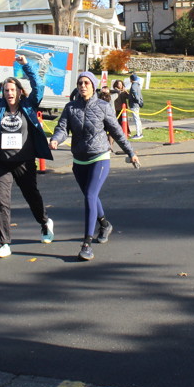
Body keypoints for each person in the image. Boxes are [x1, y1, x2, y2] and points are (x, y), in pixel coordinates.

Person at [50, 71, 139, 261]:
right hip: (79, 160)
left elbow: (117, 132)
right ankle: (104, 224)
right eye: (80, 83)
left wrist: (131, 152)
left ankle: (87, 244)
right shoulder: (70, 107)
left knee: (90, 195)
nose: (83, 86)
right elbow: (62, 128)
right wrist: (56, 139)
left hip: (100, 157)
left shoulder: (103, 106)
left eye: (86, 83)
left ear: (93, 86)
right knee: (90, 196)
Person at [0, 54, 54, 258]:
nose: (9, 93)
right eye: (6, 90)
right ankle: (4, 243)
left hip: (24, 162)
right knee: (2, 203)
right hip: (2, 163)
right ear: (2, 92)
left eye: (12, 90)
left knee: (31, 197)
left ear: (19, 91)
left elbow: (39, 86)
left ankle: (45, 222)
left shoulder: (29, 105)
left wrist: (26, 66)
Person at [127, 73, 144, 139]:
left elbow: (134, 93)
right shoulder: (137, 85)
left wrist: (137, 100)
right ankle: (140, 133)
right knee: (138, 119)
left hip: (134, 104)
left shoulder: (133, 85)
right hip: (137, 104)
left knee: (136, 119)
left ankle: (138, 134)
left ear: (131, 79)